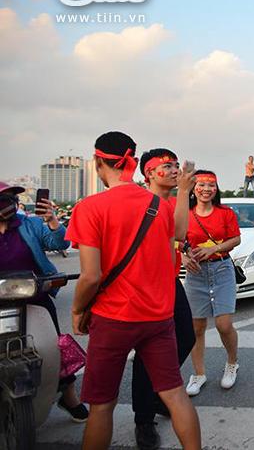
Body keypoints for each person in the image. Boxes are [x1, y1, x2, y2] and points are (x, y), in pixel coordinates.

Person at [67, 131, 200, 450]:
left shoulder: (89, 207)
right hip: (157, 318)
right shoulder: (157, 204)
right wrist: (182, 193)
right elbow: (180, 232)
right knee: (175, 395)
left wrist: (76, 310)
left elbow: (90, 277)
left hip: (113, 319)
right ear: (133, 163)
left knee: (102, 406)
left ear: (99, 163)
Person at [0, 182, 88, 422]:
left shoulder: (30, 224)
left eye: (10, 199)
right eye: (1, 199)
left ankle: (69, 395)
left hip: (34, 297)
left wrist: (52, 221)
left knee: (54, 346)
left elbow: (60, 243)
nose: (6, 204)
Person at [131, 149, 196, 450]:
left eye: (175, 165)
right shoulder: (139, 203)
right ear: (148, 173)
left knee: (185, 337)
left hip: (169, 282)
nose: (173, 170)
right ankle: (143, 419)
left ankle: (160, 392)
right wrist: (183, 190)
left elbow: (180, 234)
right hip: (141, 287)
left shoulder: (170, 203)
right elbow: (177, 231)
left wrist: (183, 193)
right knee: (146, 352)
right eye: (166, 166)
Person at [184, 170, 242, 396]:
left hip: (221, 269)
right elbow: (175, 240)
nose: (206, 189)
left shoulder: (225, 213)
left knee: (223, 324)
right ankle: (198, 374)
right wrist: (183, 257)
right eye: (201, 184)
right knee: (196, 327)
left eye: (211, 185)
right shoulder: (185, 214)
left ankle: (232, 363)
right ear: (193, 188)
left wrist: (214, 249)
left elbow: (236, 239)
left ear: (216, 188)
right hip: (195, 274)